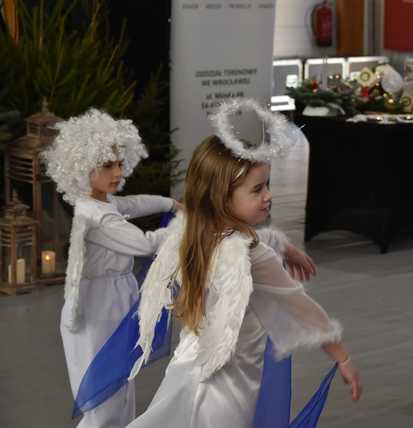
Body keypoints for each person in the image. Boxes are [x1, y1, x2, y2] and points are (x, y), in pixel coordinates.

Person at [126, 99, 362, 428]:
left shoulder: (191, 234)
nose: (268, 195)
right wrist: (343, 357)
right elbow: (302, 308)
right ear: (223, 199)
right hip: (227, 389)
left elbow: (250, 243)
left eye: (267, 184)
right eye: (256, 189)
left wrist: (285, 246)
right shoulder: (251, 254)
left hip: (188, 373)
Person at [41, 109, 181, 428]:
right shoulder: (96, 215)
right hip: (97, 306)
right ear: (83, 167)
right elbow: (144, 244)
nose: (118, 172)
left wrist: (170, 204)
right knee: (104, 398)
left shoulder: (103, 202)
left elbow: (134, 204)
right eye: (108, 165)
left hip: (115, 297)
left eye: (120, 163)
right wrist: (184, 227)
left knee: (121, 385)